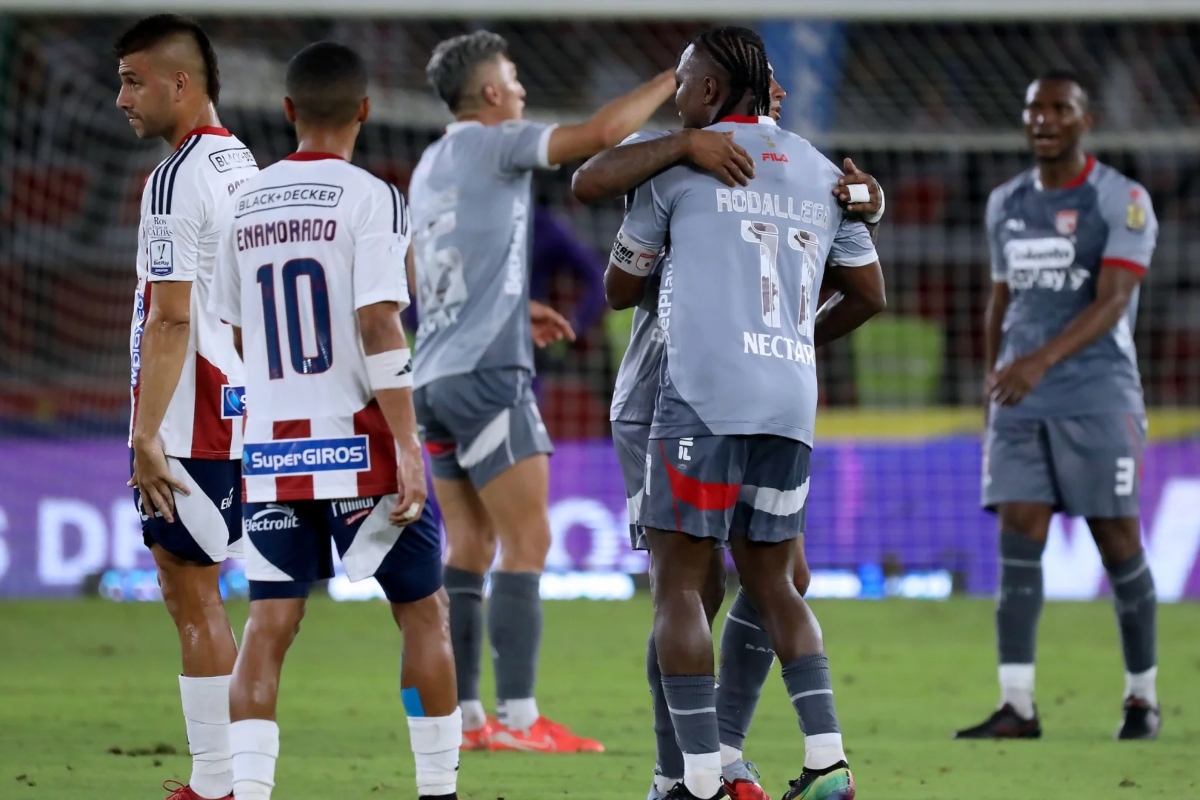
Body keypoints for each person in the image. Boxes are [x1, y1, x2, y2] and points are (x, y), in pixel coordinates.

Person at [575, 64, 885, 800]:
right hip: (660, 396)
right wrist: (682, 144)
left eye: (781, 88)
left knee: (759, 578)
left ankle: (717, 759)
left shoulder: (792, 164)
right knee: (694, 586)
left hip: (740, 388)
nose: (775, 96)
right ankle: (681, 773)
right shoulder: (676, 153)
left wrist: (872, 203)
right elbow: (592, 181)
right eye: (765, 87)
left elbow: (857, 264)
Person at [409, 29, 676, 753]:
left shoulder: (431, 164)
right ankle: (523, 720)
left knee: (470, 543)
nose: (523, 90)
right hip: (489, 376)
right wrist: (671, 81)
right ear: (491, 94)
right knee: (529, 539)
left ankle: (468, 721)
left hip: (432, 376)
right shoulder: (494, 144)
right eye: (515, 79)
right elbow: (599, 136)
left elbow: (421, 271)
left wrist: (503, 306)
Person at [208, 42, 459, 800]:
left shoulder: (243, 202)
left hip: (271, 452)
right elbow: (381, 323)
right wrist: (409, 445)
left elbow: (241, 331)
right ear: (365, 111)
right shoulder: (371, 197)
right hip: (361, 446)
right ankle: (437, 790)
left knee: (269, 625)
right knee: (423, 616)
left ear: (287, 112)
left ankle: (248, 792)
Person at [954, 70, 1161, 742]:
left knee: (1117, 540)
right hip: (1018, 398)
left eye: (1059, 109)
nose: (1044, 119)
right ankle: (1017, 705)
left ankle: (1141, 699)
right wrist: (994, 383)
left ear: (1084, 120)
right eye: (1034, 108)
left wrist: (1039, 362)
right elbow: (1000, 299)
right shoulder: (1005, 203)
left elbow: (1113, 300)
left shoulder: (1121, 200)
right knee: (1017, 536)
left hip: (1097, 396)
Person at [117, 15, 258, 800]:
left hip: (189, 415)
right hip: (233, 403)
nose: (120, 98)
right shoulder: (241, 160)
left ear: (181, 84)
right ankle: (222, 778)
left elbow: (170, 316)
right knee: (193, 588)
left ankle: (219, 784)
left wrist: (144, 437)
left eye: (134, 81)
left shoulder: (176, 180)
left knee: (191, 589)